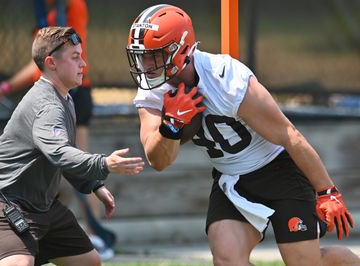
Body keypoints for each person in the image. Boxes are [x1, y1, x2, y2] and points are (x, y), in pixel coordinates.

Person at [126, 4, 360, 266]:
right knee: (227, 258)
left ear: (180, 50)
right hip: (232, 178)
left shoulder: (225, 78)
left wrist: (326, 190)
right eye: (141, 55)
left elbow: (288, 134)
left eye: (153, 56)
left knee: (305, 263)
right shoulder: (152, 92)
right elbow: (158, 160)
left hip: (280, 171)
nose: (145, 65)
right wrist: (171, 126)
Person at [0, 26, 144, 266]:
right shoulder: (48, 105)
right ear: (51, 62)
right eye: (75, 57)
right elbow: (59, 153)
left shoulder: (65, 98)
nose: (83, 64)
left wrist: (92, 184)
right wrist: (104, 163)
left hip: (43, 206)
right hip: (2, 202)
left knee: (89, 262)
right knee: (20, 264)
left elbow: (61, 156)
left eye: (81, 56)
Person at [0, 0, 117, 259]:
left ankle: (93, 233)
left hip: (77, 94)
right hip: (5, 198)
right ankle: (14, 232)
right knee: (64, 166)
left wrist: (99, 173)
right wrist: (5, 88)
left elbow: (66, 57)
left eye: (81, 57)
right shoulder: (47, 21)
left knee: (77, 161)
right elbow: (41, 64)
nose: (83, 63)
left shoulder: (73, 9)